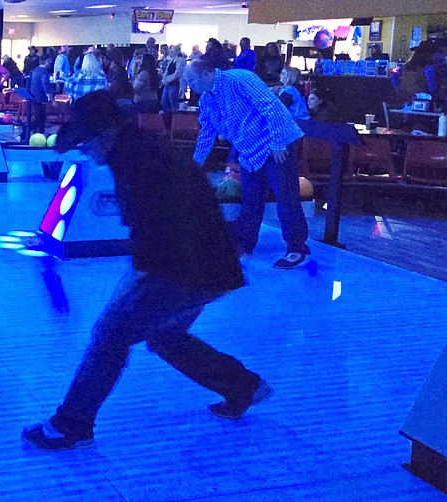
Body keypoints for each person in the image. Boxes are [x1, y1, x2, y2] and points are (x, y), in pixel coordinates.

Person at [21, 90, 270, 451]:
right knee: (164, 334)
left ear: (105, 133)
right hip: (207, 263)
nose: (84, 150)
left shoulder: (138, 160)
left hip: (189, 266)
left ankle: (71, 422)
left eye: (86, 141)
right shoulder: (136, 150)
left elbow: (155, 232)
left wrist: (136, 282)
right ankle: (241, 385)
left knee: (111, 333)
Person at [186, 53, 310, 269]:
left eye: (191, 81)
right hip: (249, 151)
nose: (189, 85)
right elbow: (207, 132)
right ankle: (244, 244)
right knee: (251, 199)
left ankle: (296, 247)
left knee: (285, 196)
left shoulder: (240, 79)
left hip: (276, 144)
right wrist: (194, 164)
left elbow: (271, 107)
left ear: (206, 73)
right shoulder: (207, 99)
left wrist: (278, 142)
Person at [29, 56, 52, 135]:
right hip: (41, 98)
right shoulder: (44, 72)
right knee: (41, 117)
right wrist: (51, 98)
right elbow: (45, 85)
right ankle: (30, 130)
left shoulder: (36, 70)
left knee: (38, 116)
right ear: (45, 62)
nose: (50, 63)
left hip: (34, 96)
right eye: (49, 61)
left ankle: (34, 132)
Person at [160, 45, 186, 113]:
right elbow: (167, 70)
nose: (170, 52)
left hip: (175, 85)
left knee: (173, 104)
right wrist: (164, 79)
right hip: (168, 84)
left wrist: (167, 79)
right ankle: (167, 119)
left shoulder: (181, 60)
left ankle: (174, 120)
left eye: (172, 50)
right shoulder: (172, 59)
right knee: (164, 102)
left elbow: (177, 73)